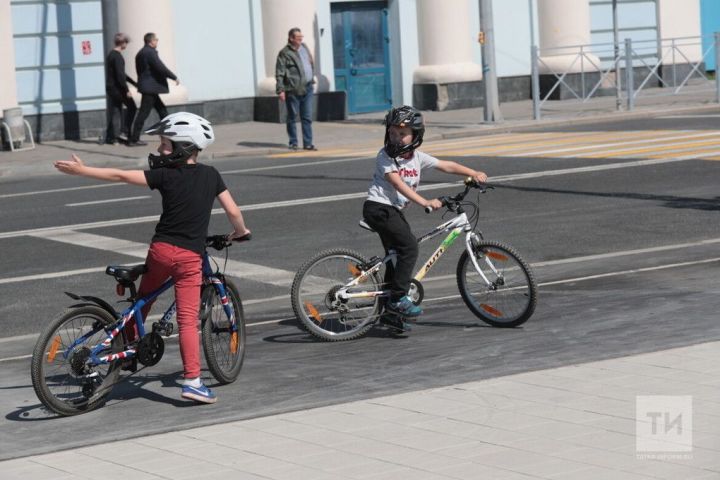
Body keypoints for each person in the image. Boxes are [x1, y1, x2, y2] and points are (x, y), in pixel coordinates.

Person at [54, 112, 251, 404]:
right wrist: (240, 232)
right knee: (186, 321)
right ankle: (193, 382)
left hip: (159, 251)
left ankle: (129, 350)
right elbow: (233, 212)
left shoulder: (165, 175)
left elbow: (121, 176)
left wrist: (83, 171)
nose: (160, 150)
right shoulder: (212, 175)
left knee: (144, 299)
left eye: (165, 144)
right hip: (188, 258)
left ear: (183, 146)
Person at [363, 105, 487, 324]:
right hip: (379, 208)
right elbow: (397, 183)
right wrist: (425, 202)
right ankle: (399, 299)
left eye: (402, 134)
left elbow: (446, 165)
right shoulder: (385, 156)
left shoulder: (417, 157)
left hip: (392, 211)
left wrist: (473, 173)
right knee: (410, 247)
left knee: (396, 257)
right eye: (392, 133)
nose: (395, 138)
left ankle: (390, 314)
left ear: (415, 136)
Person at [128, 32, 179, 146]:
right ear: (151, 41)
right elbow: (160, 67)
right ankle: (134, 139)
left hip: (148, 87)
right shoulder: (150, 53)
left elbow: (140, 71)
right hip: (150, 88)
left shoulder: (141, 53)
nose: (157, 41)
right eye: (156, 40)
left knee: (162, 110)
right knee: (144, 113)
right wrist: (173, 77)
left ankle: (169, 133)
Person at [275, 27, 317, 151]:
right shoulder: (284, 53)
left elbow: (310, 64)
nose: (300, 40)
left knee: (307, 117)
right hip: (293, 89)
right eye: (298, 38)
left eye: (301, 37)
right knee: (292, 117)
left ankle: (308, 143)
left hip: (308, 87)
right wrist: (280, 90)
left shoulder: (304, 48)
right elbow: (280, 72)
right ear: (291, 38)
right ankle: (293, 142)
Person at [104, 32, 137, 145]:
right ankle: (124, 132)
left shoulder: (111, 55)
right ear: (122, 43)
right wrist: (126, 90)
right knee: (132, 107)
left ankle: (112, 137)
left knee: (116, 111)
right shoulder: (118, 56)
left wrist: (134, 83)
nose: (126, 45)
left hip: (112, 88)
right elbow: (120, 75)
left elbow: (121, 74)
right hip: (117, 89)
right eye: (126, 42)